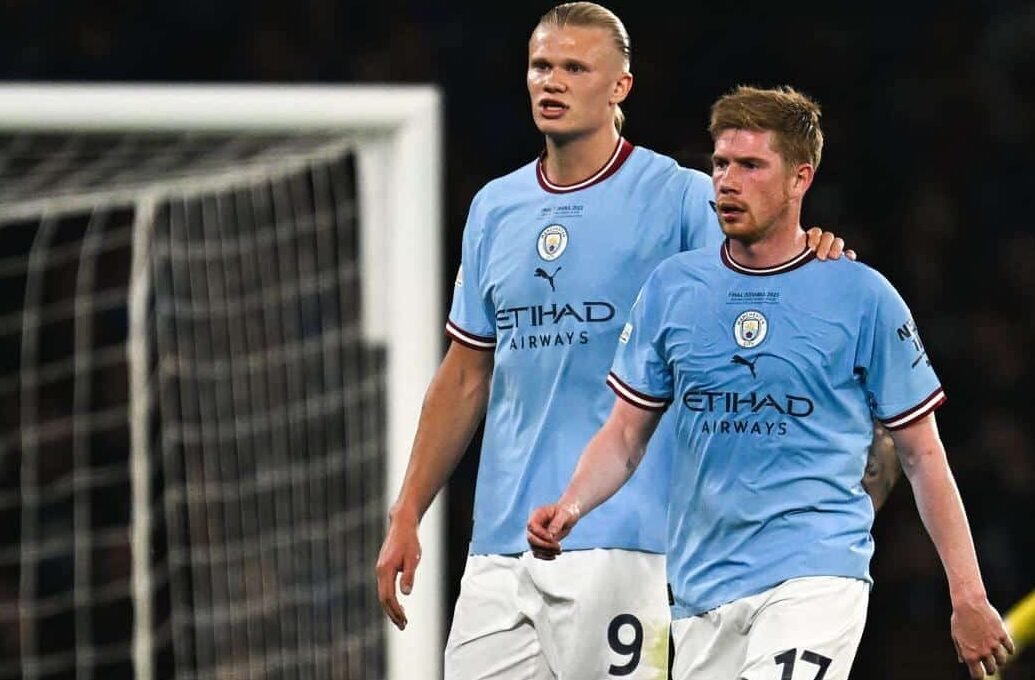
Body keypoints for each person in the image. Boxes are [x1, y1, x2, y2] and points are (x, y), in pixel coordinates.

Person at [375, 4, 862, 677]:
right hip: (499, 548)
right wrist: (406, 513)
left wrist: (817, 255)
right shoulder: (495, 207)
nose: (552, 81)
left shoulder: (679, 198)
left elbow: (768, 277)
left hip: (624, 544)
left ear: (618, 86)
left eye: (575, 67)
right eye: (541, 65)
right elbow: (464, 375)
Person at [527, 84, 1015, 680]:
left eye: (752, 165)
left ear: (799, 179)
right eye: (721, 164)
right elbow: (625, 436)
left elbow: (922, 454)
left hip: (815, 576)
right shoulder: (672, 289)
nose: (728, 181)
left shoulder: (860, 295)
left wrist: (967, 594)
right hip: (701, 590)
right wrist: (572, 504)